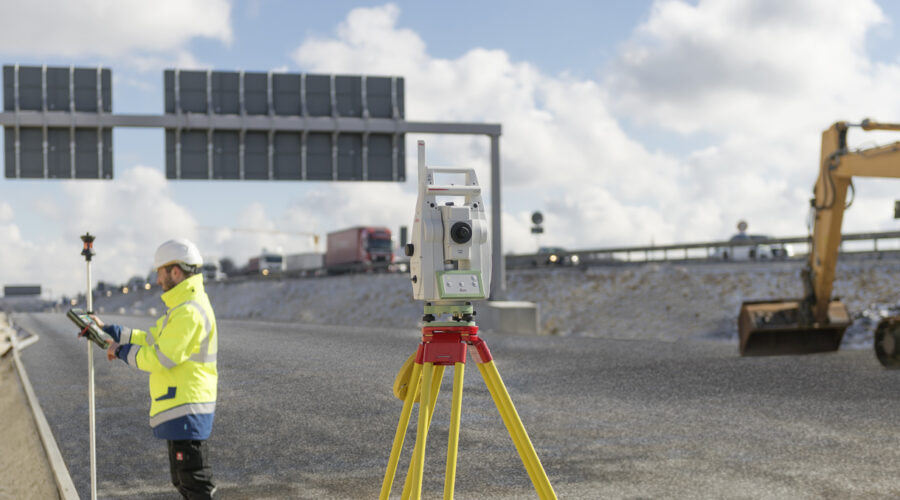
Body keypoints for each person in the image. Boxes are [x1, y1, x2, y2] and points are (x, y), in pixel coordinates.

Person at [90, 238, 218, 499]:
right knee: (183, 482)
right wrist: (112, 332)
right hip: (181, 407)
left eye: (160, 272)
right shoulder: (181, 308)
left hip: (188, 408)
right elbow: (152, 339)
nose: (158, 280)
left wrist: (121, 351)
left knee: (194, 483)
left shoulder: (189, 312)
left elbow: (161, 357)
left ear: (175, 271)